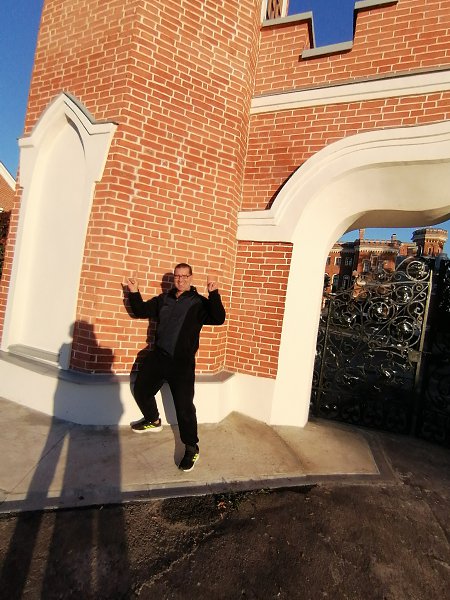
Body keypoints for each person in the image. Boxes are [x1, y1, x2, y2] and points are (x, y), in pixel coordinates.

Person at [126, 263, 226, 472]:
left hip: (182, 364)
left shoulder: (199, 303)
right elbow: (140, 310)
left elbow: (218, 319)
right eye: (177, 276)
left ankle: (191, 447)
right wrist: (134, 291)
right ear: (174, 278)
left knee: (184, 408)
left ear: (191, 277)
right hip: (159, 357)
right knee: (141, 389)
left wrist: (214, 294)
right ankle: (153, 420)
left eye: (185, 276)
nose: (181, 280)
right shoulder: (164, 299)